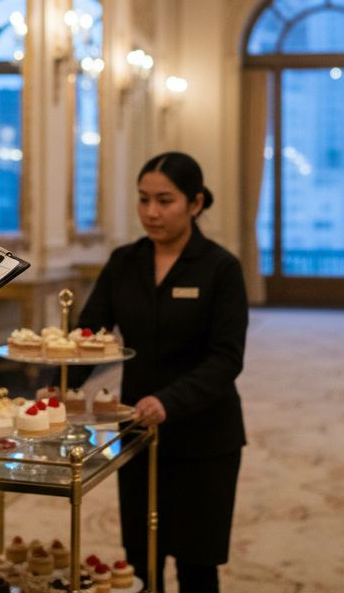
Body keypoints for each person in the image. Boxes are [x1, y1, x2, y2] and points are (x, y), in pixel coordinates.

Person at [76, 152, 247, 592]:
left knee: (196, 566)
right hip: (137, 433)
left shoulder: (220, 268)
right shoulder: (124, 262)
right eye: (143, 199)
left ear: (195, 203)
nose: (151, 212)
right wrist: (55, 387)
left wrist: (168, 401)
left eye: (165, 201)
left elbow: (226, 358)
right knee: (140, 563)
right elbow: (88, 335)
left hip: (205, 438)